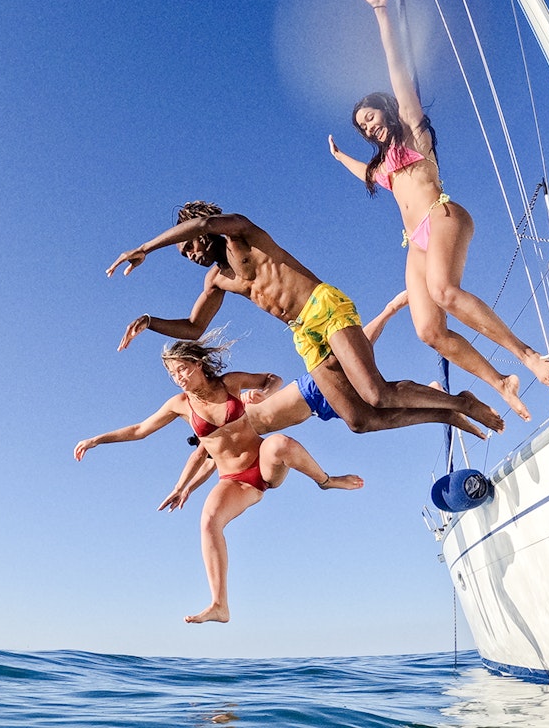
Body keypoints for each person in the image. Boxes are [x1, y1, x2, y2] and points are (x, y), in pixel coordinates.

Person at [327, 0, 549, 421]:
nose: (368, 127)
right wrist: (341, 157)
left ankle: (525, 354)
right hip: (414, 242)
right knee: (428, 330)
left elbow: (397, 72)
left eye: (371, 117)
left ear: (387, 110)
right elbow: (367, 174)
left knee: (444, 292)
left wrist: (382, 15)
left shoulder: (414, 133)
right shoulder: (385, 169)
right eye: (362, 126)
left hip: (443, 216)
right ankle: (500, 381)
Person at [106, 201, 504, 438]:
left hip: (322, 306)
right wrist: (149, 321)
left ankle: (462, 401)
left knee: (376, 393)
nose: (190, 254)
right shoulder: (217, 280)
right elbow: (194, 329)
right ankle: (447, 412)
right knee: (359, 419)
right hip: (303, 334)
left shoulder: (239, 233)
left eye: (188, 246)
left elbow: (206, 226)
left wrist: (144, 248)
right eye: (184, 254)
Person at [73, 332, 363, 624]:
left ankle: (326, 481)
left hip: (263, 464)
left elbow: (272, 379)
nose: (179, 378)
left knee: (279, 443)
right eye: (173, 374)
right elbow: (140, 430)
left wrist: (264, 394)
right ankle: (219, 605)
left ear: (198, 364)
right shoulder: (180, 404)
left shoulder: (230, 383)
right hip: (235, 480)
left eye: (182, 369)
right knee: (208, 522)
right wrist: (97, 440)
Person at [175, 291, 410, 491]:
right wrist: (186, 490)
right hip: (318, 409)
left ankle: (390, 309)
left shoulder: (228, 413)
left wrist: (262, 394)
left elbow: (198, 458)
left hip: (307, 391)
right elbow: (205, 465)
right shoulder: (225, 445)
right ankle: (426, 395)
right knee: (375, 411)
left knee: (351, 356)